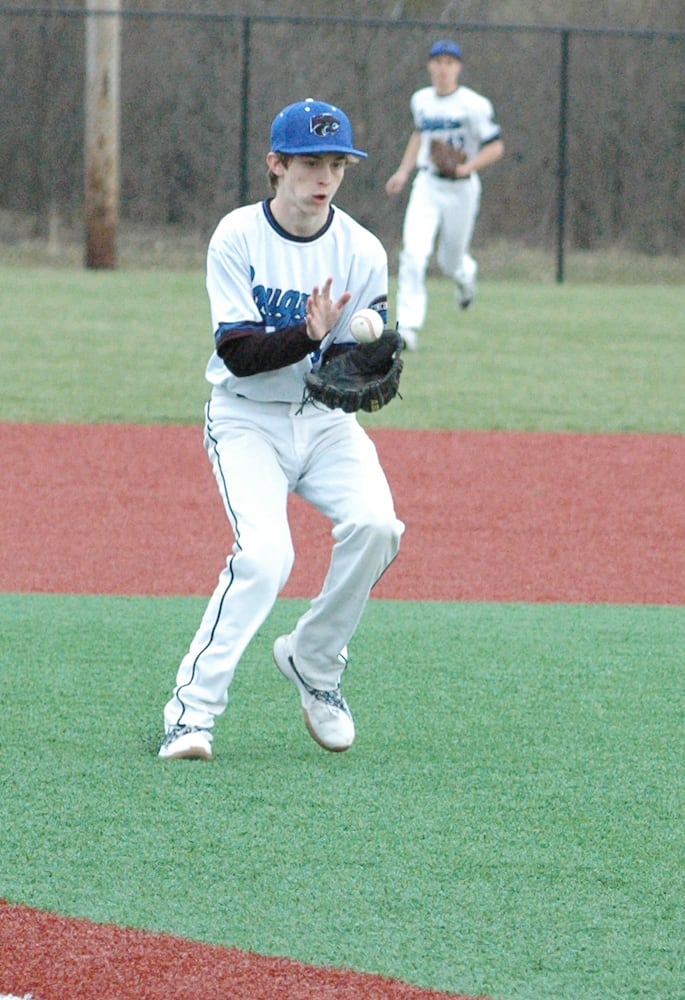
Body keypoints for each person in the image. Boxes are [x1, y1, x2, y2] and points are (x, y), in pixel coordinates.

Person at [158, 99, 405, 761]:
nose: (323, 176)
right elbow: (239, 350)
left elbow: (357, 353)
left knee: (379, 526)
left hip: (326, 425)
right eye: (309, 162)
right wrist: (310, 335)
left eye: (335, 164)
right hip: (247, 420)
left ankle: (315, 664)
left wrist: (365, 360)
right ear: (277, 164)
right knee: (267, 558)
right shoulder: (237, 236)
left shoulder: (362, 250)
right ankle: (191, 715)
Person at [384, 37, 504, 351]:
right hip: (428, 184)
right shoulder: (421, 100)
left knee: (449, 261)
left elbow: (496, 146)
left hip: (462, 189)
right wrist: (403, 171)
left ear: (458, 68)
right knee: (413, 253)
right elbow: (420, 135)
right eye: (438, 62)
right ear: (430, 66)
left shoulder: (474, 105)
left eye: (449, 63)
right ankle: (408, 328)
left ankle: (466, 273)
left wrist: (468, 167)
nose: (443, 69)